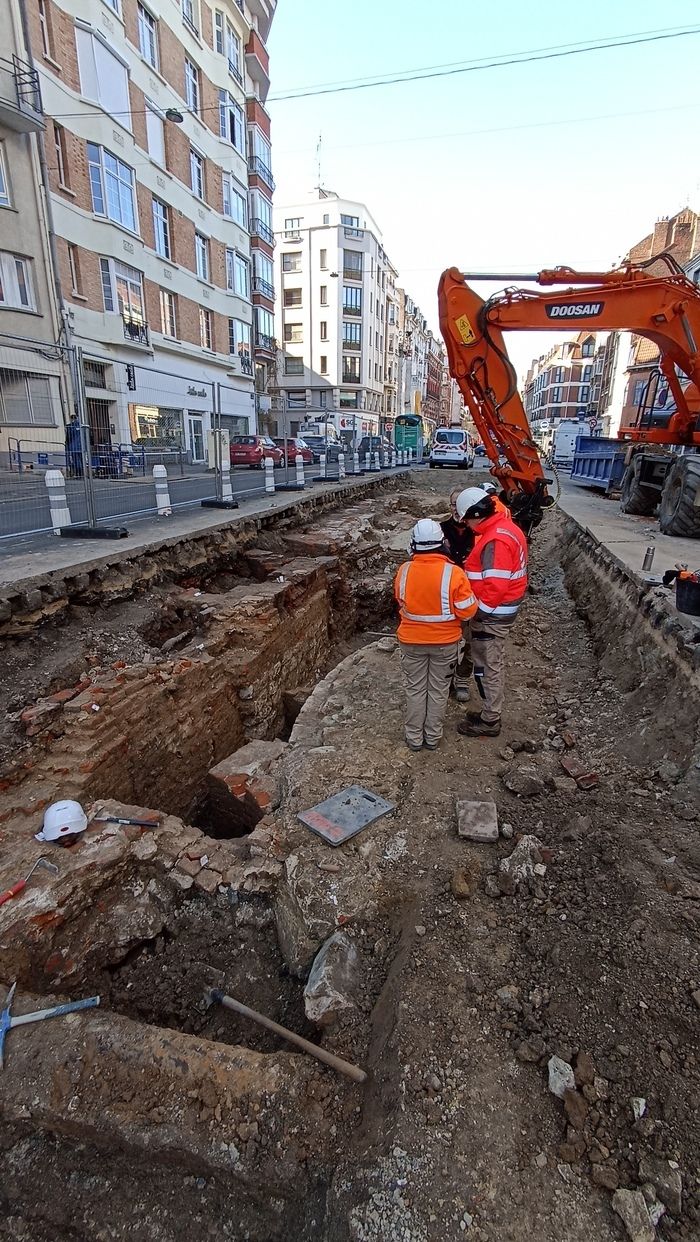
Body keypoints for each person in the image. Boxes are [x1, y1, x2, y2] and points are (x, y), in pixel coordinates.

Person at [394, 519, 478, 751]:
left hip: (411, 642)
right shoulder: (454, 573)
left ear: (414, 545)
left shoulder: (404, 570)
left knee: (415, 689)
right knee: (439, 690)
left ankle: (414, 738)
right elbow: (468, 610)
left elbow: (401, 602)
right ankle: (432, 737)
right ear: (442, 543)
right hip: (445, 643)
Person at [453, 487, 528, 738]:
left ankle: (490, 720)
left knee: (488, 665)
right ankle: (488, 713)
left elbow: (496, 586)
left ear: (476, 513)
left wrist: (477, 614)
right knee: (487, 663)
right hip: (500, 611)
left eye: (467, 519)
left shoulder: (495, 540)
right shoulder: (504, 527)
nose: (467, 525)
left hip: (493, 615)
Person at [441, 488, 476, 703]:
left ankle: (462, 679)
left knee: (470, 641)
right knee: (446, 642)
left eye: (459, 504)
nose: (456, 509)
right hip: (446, 596)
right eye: (453, 504)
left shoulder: (478, 531)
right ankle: (445, 679)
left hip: (471, 595)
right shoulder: (441, 530)